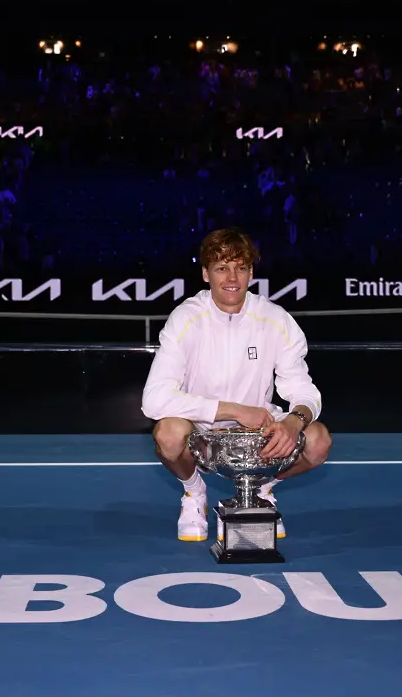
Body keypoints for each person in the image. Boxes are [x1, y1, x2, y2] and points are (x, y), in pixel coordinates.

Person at [141, 228, 332, 541]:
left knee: (318, 440)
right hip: (201, 433)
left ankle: (258, 489)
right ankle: (194, 494)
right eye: (221, 268)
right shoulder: (186, 318)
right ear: (205, 274)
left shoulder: (275, 318)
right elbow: (154, 399)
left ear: (251, 273)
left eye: (240, 268)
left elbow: (304, 390)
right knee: (169, 433)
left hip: (260, 436)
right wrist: (234, 410)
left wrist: (295, 422)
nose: (232, 278)